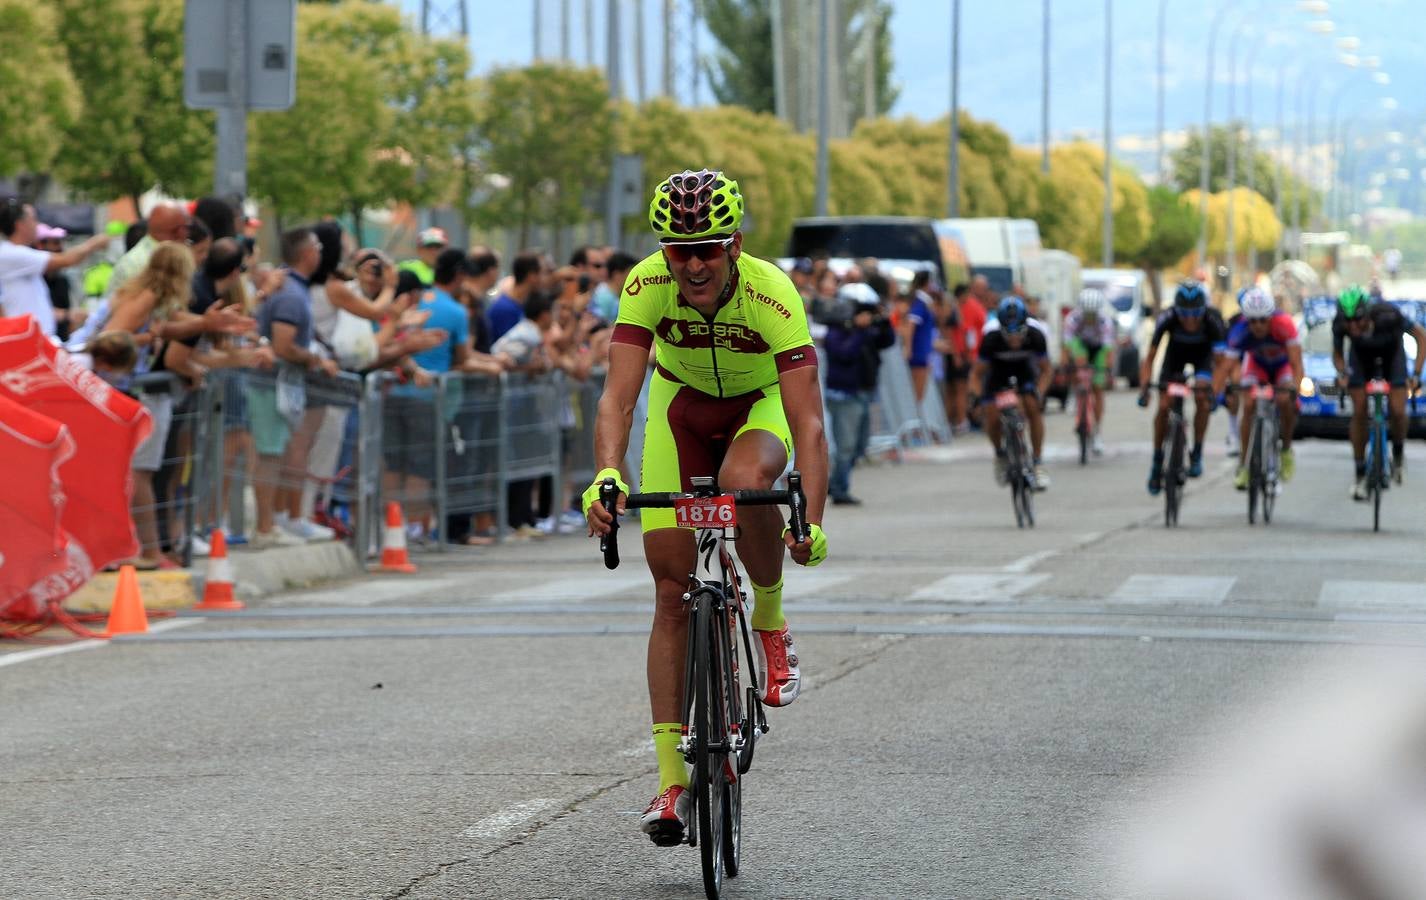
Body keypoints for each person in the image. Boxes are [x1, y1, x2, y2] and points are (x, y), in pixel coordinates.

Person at [582, 169, 828, 845]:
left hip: (760, 408)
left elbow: (808, 422)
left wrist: (811, 515)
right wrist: (606, 472)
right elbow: (618, 399)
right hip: (680, 411)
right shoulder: (645, 285)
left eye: (707, 250)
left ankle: (770, 622)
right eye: (677, 250)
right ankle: (670, 781)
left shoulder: (773, 293)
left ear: (735, 245)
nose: (691, 264)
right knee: (669, 589)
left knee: (743, 478)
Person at [247, 227, 340, 549]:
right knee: (271, 454)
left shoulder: (292, 289)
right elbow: (283, 345)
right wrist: (315, 359)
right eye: (317, 247)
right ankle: (265, 526)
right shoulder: (289, 293)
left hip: (280, 385)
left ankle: (275, 521)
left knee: (277, 452)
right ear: (308, 253)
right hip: (271, 384)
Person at [1332, 285, 1426, 499]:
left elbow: (1421, 337)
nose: (1353, 326)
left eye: (1358, 320)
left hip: (1392, 357)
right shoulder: (1340, 323)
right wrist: (1342, 372)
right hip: (1360, 359)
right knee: (1359, 410)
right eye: (1348, 321)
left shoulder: (1389, 315)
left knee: (1397, 409)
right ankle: (1359, 471)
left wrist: (1417, 373)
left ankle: (1399, 454)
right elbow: (1337, 355)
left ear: (1368, 313)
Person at [1137, 280, 1230, 493]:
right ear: (1176, 311)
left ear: (1203, 310)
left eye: (1195, 315)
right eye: (1184, 315)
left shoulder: (1213, 320)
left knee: (1201, 398)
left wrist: (1214, 391)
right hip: (1174, 359)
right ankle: (1157, 460)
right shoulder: (1167, 318)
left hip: (1202, 359)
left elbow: (1221, 362)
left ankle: (1196, 452)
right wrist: (1144, 388)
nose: (1189, 320)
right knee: (1163, 407)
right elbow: (1149, 358)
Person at [823, 282, 896, 505]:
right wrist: (859, 329)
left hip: (864, 391)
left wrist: (883, 321)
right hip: (843, 394)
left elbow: (887, 341)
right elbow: (845, 353)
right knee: (846, 445)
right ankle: (839, 489)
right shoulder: (836, 330)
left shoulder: (866, 330)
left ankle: (834, 483)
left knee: (860, 445)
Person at [971, 295, 1053, 490]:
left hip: (1024, 370)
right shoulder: (991, 338)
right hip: (997, 373)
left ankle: (1038, 462)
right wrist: (976, 398)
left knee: (1033, 407)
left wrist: (1039, 393)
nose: (1015, 340)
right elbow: (976, 374)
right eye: (1010, 335)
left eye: (1019, 335)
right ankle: (1000, 454)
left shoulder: (1036, 334)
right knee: (991, 415)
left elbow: (1046, 370)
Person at [1226, 287, 1304, 490]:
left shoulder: (1284, 324)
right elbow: (1226, 366)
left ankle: (1286, 449)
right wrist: (1219, 390)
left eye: (1262, 320)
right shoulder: (1240, 330)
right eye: (1252, 320)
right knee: (1249, 405)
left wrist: (1295, 387)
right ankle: (1244, 464)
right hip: (1257, 365)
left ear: (1270, 317)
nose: (1258, 325)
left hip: (1282, 366)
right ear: (1246, 319)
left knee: (1285, 401)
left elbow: (1296, 362)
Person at [0, 198, 111, 337]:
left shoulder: (17, 254)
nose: (37, 224)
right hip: (27, 342)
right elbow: (67, 259)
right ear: (20, 225)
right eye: (33, 219)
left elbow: (34, 307)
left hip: (37, 340)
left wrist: (67, 315)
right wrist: (95, 243)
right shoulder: (11, 254)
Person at [1062, 288, 1118, 455]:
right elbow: (1067, 346)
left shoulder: (1105, 321)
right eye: (1087, 314)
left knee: (1098, 389)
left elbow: (1108, 351)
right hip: (1081, 346)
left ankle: (1097, 431)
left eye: (1093, 314)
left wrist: (1107, 371)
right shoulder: (1072, 319)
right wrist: (1066, 366)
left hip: (1099, 349)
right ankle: (1076, 392)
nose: (1090, 318)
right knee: (1078, 360)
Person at [486, 250, 545, 343]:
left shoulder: (520, 305)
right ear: (531, 276)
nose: (543, 279)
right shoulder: (505, 309)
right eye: (541, 273)